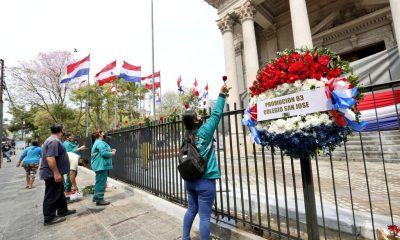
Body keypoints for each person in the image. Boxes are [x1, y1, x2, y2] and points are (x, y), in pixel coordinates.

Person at [182, 83, 229, 240]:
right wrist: (222, 94)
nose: (201, 116)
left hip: (189, 180)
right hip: (205, 180)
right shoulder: (205, 132)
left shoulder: (186, 137)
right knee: (204, 217)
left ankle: (185, 238)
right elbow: (216, 115)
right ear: (195, 121)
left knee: (190, 210)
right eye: (198, 116)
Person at [40, 124, 76, 225]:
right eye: (63, 129)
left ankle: (62, 210)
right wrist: (56, 173)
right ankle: (49, 218)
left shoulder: (54, 140)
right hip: (52, 174)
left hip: (56, 173)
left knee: (59, 192)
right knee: (52, 195)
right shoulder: (53, 141)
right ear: (61, 130)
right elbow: (50, 158)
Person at [91, 130, 116, 206]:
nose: (104, 134)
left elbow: (102, 151)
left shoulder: (98, 142)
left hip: (99, 165)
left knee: (99, 181)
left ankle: (96, 196)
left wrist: (110, 150)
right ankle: (99, 199)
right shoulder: (99, 142)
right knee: (101, 182)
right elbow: (103, 153)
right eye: (102, 133)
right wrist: (112, 153)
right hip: (101, 165)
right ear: (100, 135)